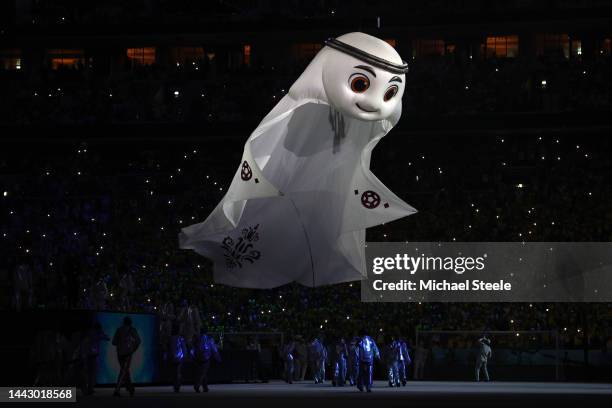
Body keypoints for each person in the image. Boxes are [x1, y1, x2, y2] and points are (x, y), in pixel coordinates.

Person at [112, 316, 141, 397]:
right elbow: (138, 341)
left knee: (124, 370)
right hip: (128, 353)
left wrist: (120, 344)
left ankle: (130, 388)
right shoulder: (132, 330)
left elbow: (114, 342)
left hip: (120, 353)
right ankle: (118, 389)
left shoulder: (119, 330)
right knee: (124, 371)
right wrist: (133, 349)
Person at [81, 322, 109, 395]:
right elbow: (107, 338)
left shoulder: (90, 333)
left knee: (89, 373)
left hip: (88, 355)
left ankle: (88, 389)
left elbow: (84, 343)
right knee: (91, 373)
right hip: (92, 355)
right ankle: (89, 389)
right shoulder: (97, 334)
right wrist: (102, 333)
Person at [192, 327, 221, 392]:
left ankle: (205, 387)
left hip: (197, 357)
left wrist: (193, 356)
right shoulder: (209, 338)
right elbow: (214, 349)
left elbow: (193, 347)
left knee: (201, 372)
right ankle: (197, 385)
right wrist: (218, 358)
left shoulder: (197, 338)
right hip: (206, 357)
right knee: (203, 372)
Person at [169, 322, 188, 392]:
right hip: (180, 357)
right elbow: (184, 348)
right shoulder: (181, 338)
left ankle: (175, 385)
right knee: (178, 372)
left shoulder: (171, 338)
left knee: (175, 372)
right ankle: (177, 385)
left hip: (173, 357)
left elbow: (169, 348)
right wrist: (185, 356)